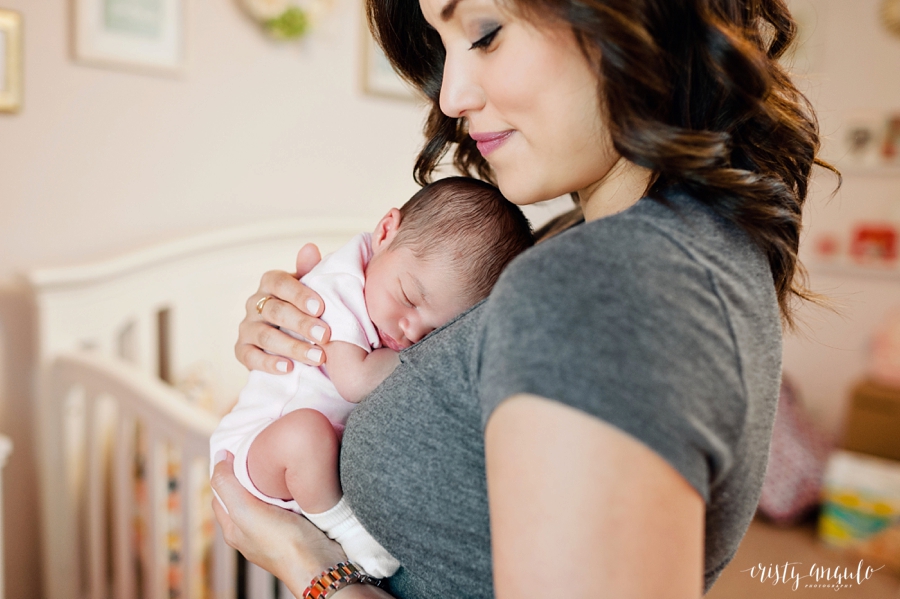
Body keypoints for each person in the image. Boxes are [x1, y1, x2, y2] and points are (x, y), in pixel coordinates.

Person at [211, 0, 837, 597]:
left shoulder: (600, 286)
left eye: (484, 33)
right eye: (443, 46)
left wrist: (306, 564)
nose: (451, 97)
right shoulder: (641, 246)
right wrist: (300, 339)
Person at [210, 176, 533, 578]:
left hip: (294, 469)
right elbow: (355, 381)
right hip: (254, 451)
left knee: (309, 438)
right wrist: (428, 353)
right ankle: (344, 527)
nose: (411, 331)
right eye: (409, 298)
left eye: (436, 331)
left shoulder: (388, 287)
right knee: (305, 434)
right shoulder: (337, 287)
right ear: (384, 232)